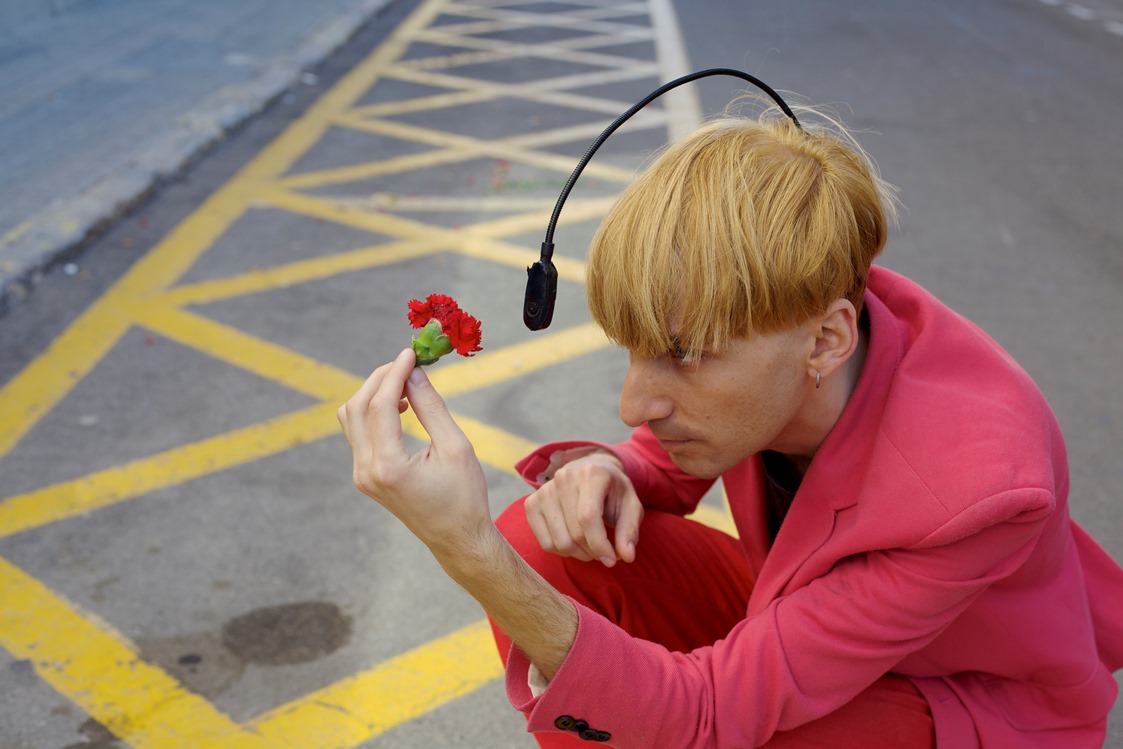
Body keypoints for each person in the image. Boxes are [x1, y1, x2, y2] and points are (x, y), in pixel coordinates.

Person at [337, 102, 1123, 748]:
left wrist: (465, 549)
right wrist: (616, 469)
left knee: (733, 729)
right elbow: (660, 458)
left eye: (682, 355)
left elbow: (707, 715)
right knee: (548, 541)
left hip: (956, 705)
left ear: (826, 339)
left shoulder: (973, 490)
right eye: (635, 352)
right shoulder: (805, 315)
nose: (633, 402)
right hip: (811, 620)